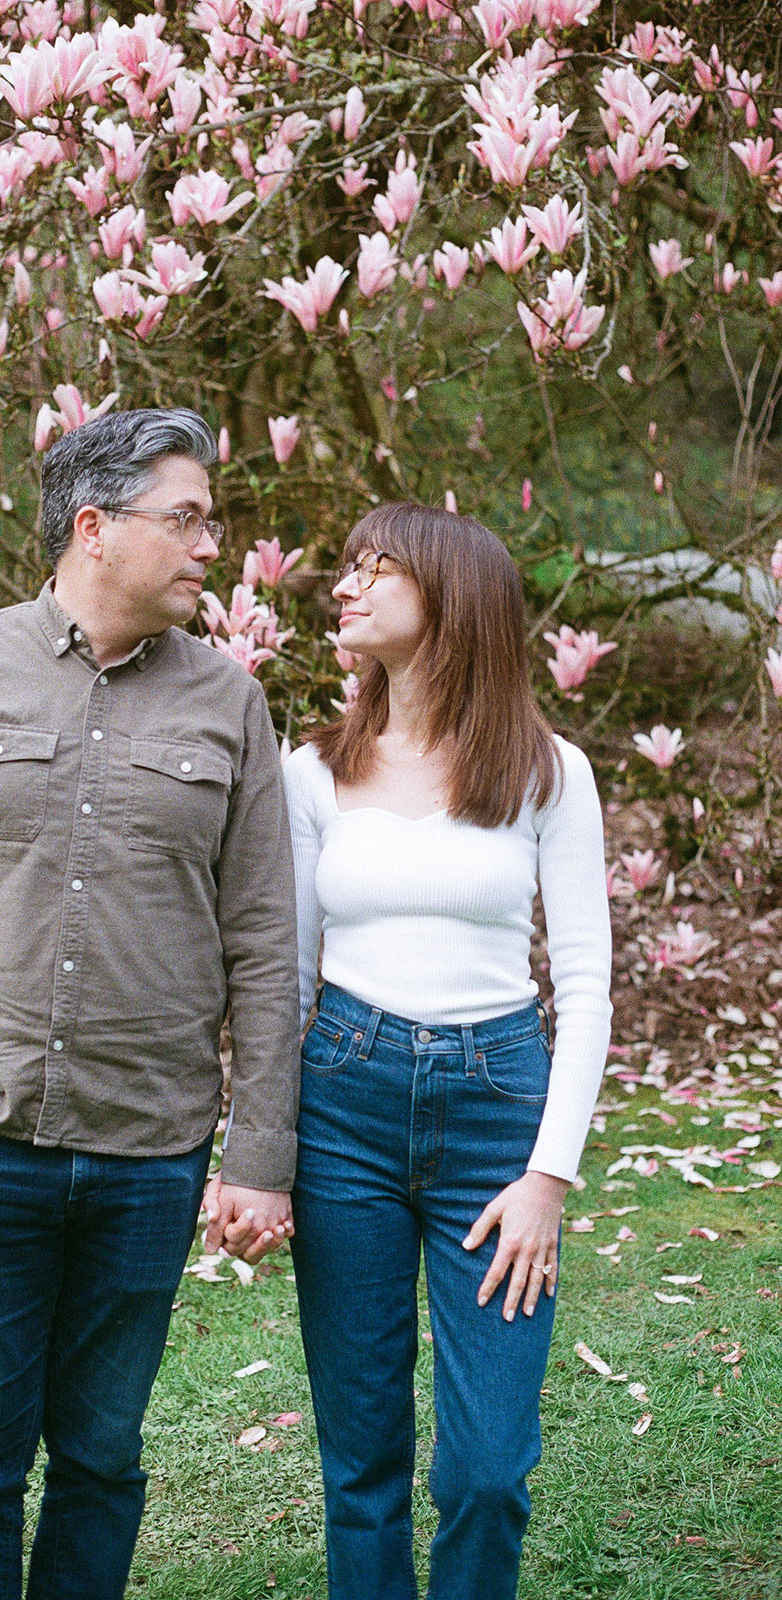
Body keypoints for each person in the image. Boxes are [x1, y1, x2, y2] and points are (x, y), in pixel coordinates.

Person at [0, 408, 300, 1600]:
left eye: (210, 519)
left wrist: (254, 1152)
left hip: (150, 1153)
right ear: (94, 527)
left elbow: (262, 941)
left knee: (98, 1459)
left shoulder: (228, 703)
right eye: (185, 518)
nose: (212, 546)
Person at [282, 505, 612, 1600]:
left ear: (452, 598)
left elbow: (586, 979)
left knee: (482, 1471)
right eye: (346, 565)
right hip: (342, 1105)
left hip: (495, 1112)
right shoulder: (310, 773)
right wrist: (265, 1148)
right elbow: (286, 976)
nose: (346, 585)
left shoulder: (547, 773)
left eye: (376, 568)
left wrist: (545, 1179)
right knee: (360, 1458)